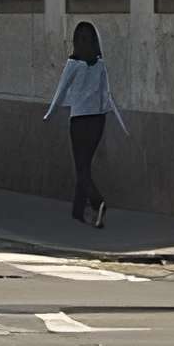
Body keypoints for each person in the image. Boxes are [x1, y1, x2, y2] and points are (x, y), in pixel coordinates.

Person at [44, 21, 130, 228]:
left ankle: (97, 202)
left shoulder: (73, 64)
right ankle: (78, 211)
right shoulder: (100, 65)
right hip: (98, 121)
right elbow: (107, 95)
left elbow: (61, 90)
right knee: (84, 165)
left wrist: (49, 114)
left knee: (81, 168)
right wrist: (121, 123)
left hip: (80, 120)